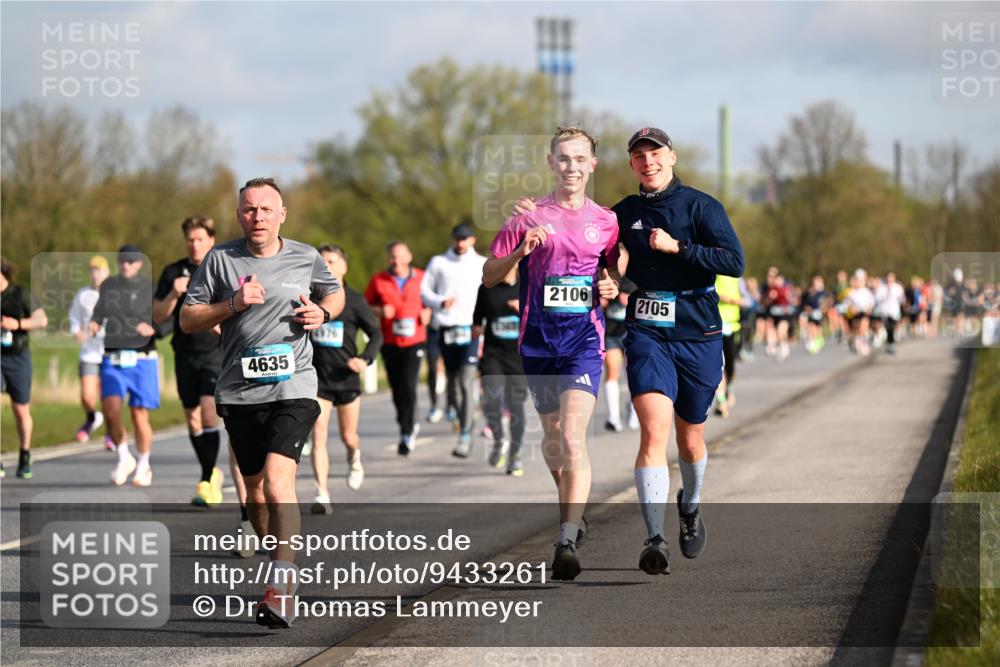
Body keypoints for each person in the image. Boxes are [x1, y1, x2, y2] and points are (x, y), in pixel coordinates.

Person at [181, 177, 342, 628]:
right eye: (249, 210)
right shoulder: (220, 259)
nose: (258, 217)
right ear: (239, 216)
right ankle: (281, 563)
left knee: (277, 483)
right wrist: (230, 303)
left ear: (282, 214)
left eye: (266, 209)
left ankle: (281, 584)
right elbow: (189, 318)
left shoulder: (305, 256)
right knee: (255, 496)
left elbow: (335, 292)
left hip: (295, 386)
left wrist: (323, 312)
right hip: (238, 391)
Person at [485, 126, 621, 581]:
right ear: (550, 163)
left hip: (584, 341)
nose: (571, 167)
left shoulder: (605, 220)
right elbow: (490, 276)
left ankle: (565, 537)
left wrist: (612, 286)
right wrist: (521, 251)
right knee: (553, 439)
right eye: (563, 158)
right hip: (538, 344)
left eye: (580, 159)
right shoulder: (527, 215)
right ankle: (572, 511)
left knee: (573, 438)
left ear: (592, 165)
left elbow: (617, 274)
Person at [608, 127, 744, 575]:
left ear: (672, 157)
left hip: (698, 329)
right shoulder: (623, 213)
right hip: (647, 330)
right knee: (653, 433)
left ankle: (690, 505)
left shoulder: (701, 206)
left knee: (690, 437)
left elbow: (734, 262)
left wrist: (679, 246)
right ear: (632, 165)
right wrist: (610, 276)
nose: (648, 161)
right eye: (639, 155)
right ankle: (655, 538)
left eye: (656, 153)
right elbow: (605, 258)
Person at [153, 216, 229, 506]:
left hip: (215, 352)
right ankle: (210, 473)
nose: (195, 244)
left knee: (209, 412)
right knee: (193, 419)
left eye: (200, 239)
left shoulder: (221, 268)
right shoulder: (173, 271)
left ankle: (207, 479)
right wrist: (174, 291)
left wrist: (216, 320)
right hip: (184, 352)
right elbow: (158, 315)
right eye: (190, 239)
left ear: (211, 240)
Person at [308, 244, 382, 513]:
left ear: (344, 266)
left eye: (331, 261)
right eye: (321, 261)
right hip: (318, 379)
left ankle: (354, 458)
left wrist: (364, 359)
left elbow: (376, 334)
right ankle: (322, 494)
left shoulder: (355, 300)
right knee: (318, 434)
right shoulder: (309, 298)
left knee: (348, 437)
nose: (326, 265)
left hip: (347, 377)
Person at [89, 245, 159, 487]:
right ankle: (123, 457)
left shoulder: (150, 288)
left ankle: (143, 464)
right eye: (122, 261)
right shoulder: (109, 286)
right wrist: (95, 324)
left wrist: (154, 329)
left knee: (139, 415)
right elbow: (99, 312)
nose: (126, 265)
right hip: (113, 357)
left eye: (131, 261)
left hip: (142, 358)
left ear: (139, 264)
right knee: (110, 410)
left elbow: (165, 318)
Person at [422, 222, 487, 457]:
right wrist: (439, 301)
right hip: (446, 328)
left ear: (472, 241)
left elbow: (489, 291)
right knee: (453, 385)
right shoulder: (438, 263)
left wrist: (484, 322)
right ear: (452, 240)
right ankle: (464, 420)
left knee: (465, 380)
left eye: (465, 239)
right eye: (457, 239)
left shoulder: (480, 263)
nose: (461, 243)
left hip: (471, 329)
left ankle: (465, 434)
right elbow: (425, 291)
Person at [365, 241, 431, 456]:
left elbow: (436, 300)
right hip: (390, 341)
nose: (396, 261)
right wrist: (380, 311)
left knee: (409, 384)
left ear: (409, 257)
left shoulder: (423, 277)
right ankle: (405, 420)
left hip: (415, 340)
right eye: (393, 257)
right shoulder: (378, 280)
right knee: (397, 388)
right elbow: (365, 307)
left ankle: (407, 431)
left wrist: (429, 311)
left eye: (400, 256)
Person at [472, 275, 528, 476]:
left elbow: (543, 319)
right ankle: (498, 439)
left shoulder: (528, 284)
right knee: (491, 401)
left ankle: (515, 455)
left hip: (519, 358)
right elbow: (477, 321)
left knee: (516, 407)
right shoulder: (487, 287)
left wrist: (524, 310)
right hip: (492, 355)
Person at [1, 257, 48, 479]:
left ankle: (25, 454)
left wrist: (17, 324)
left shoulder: (21, 293)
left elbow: (42, 320)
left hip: (18, 357)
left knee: (21, 411)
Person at [68, 255, 109, 444]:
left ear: (107, 272)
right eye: (93, 270)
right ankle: (93, 418)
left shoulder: (113, 294)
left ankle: (112, 433)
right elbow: (74, 317)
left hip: (108, 351)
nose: (95, 274)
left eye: (99, 270)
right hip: (89, 352)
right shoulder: (83, 294)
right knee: (86, 395)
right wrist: (76, 331)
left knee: (108, 396)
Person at [601, 277, 635, 432]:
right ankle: (613, 418)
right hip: (611, 333)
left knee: (634, 375)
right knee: (612, 373)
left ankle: (635, 413)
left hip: (633, 332)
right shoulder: (606, 275)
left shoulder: (636, 275)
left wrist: (630, 298)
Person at [714, 274, 744, 418]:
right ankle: (721, 401)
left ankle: (729, 390)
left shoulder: (737, 276)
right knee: (719, 364)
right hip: (717, 325)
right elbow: (711, 292)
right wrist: (728, 299)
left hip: (733, 326)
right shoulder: (715, 273)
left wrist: (740, 301)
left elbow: (747, 298)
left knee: (731, 366)